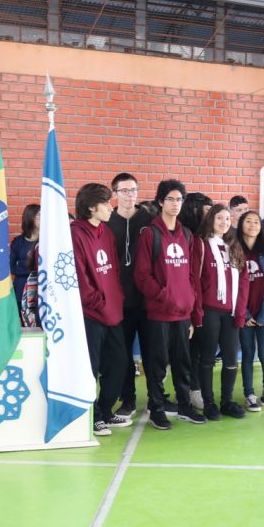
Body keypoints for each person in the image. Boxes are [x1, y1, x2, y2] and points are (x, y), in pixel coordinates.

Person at [134, 179, 206, 430]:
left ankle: (184, 405)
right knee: (157, 366)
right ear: (160, 202)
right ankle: (156, 407)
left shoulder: (186, 234)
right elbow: (141, 276)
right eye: (171, 199)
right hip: (159, 314)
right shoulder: (150, 234)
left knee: (182, 364)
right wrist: (165, 296)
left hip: (183, 314)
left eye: (179, 199)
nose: (176, 204)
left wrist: (190, 308)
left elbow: (191, 276)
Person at [70, 183, 132, 436]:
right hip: (91, 314)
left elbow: (114, 270)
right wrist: (99, 301)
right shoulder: (75, 233)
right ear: (91, 208)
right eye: (105, 203)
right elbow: (79, 276)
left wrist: (115, 298)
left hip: (112, 311)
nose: (110, 207)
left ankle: (105, 411)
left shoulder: (106, 232)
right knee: (91, 367)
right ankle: (92, 416)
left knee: (119, 362)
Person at [192, 204, 249, 419]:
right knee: (207, 358)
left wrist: (240, 311)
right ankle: (209, 403)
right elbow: (195, 280)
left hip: (231, 312)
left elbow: (243, 281)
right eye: (219, 218)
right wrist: (197, 311)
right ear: (211, 220)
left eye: (227, 218)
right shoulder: (202, 244)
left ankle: (227, 401)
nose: (224, 222)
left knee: (231, 359)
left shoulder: (234, 246)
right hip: (209, 311)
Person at [105, 172, 154, 418]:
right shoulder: (107, 221)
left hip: (147, 301)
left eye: (133, 190)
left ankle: (157, 399)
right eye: (124, 190)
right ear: (115, 194)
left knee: (152, 353)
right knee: (122, 355)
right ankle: (128, 399)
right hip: (120, 302)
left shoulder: (150, 220)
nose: (129, 195)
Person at [236, 211, 264, 411]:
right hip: (244, 312)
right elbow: (233, 285)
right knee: (247, 354)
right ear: (241, 225)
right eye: (248, 221)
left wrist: (263, 316)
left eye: (256, 222)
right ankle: (249, 394)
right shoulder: (235, 248)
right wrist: (244, 314)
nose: (252, 225)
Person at [177, 191, 213, 409]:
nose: (211, 215)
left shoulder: (209, 236)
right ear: (194, 209)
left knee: (200, 349)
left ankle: (195, 389)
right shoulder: (187, 235)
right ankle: (192, 390)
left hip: (207, 303)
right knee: (190, 350)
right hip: (189, 302)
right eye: (207, 210)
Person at [10, 204, 40, 314]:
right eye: (38, 215)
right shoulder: (18, 242)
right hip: (21, 287)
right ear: (30, 217)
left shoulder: (47, 240)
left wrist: (22, 264)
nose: (42, 218)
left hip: (41, 288)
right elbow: (11, 267)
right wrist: (30, 270)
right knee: (22, 318)